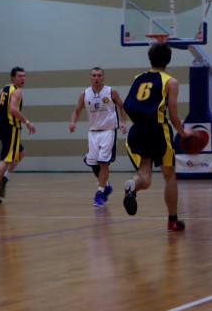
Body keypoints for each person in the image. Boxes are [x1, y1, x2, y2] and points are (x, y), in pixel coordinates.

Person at [122, 43, 191, 232]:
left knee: (144, 177)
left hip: (136, 130)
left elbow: (128, 105)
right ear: (168, 60)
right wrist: (184, 134)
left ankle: (132, 185)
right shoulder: (171, 82)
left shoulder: (138, 78)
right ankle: (172, 221)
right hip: (158, 130)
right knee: (169, 175)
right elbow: (174, 116)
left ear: (150, 58)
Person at [69, 67, 127, 206]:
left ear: (103, 77)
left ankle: (100, 192)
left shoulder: (111, 91)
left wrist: (123, 122)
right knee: (93, 163)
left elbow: (122, 106)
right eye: (94, 75)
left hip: (108, 131)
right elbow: (76, 110)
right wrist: (73, 122)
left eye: (99, 75)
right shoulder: (85, 94)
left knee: (103, 161)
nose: (96, 78)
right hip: (93, 132)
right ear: (90, 77)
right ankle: (106, 186)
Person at [0, 67, 36, 204]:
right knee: (6, 159)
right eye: (20, 76)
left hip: (2, 128)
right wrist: (27, 122)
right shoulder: (16, 91)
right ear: (13, 77)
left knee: (21, 152)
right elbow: (13, 109)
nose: (23, 78)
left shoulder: (5, 89)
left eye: (24, 76)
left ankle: (4, 178)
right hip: (11, 128)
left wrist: (0, 120)